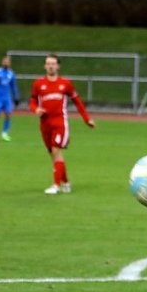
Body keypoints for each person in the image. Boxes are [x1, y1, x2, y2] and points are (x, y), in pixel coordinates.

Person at [30, 54, 96, 194]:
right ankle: (66, 182)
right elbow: (33, 100)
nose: (51, 66)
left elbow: (77, 101)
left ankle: (56, 185)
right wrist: (35, 109)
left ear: (58, 66)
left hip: (60, 123)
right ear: (45, 66)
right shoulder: (38, 84)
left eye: (53, 63)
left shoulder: (65, 84)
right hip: (45, 124)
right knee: (53, 154)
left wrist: (87, 119)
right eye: (48, 63)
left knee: (56, 151)